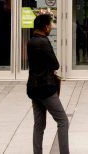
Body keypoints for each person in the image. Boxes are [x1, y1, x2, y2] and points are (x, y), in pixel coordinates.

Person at [25, 14, 69, 154]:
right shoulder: (44, 42)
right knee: (63, 121)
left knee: (39, 124)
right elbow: (55, 64)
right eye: (50, 25)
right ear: (45, 27)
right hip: (46, 88)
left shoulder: (31, 41)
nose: (51, 27)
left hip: (33, 87)